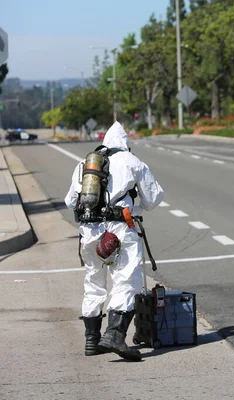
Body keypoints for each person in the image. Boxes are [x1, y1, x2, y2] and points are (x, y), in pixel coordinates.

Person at [65, 121, 163, 361]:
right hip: (119, 229)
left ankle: (92, 340)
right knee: (127, 280)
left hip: (89, 231)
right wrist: (131, 200)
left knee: (94, 281)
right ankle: (115, 335)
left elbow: (70, 201)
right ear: (125, 143)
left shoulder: (84, 165)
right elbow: (153, 198)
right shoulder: (132, 162)